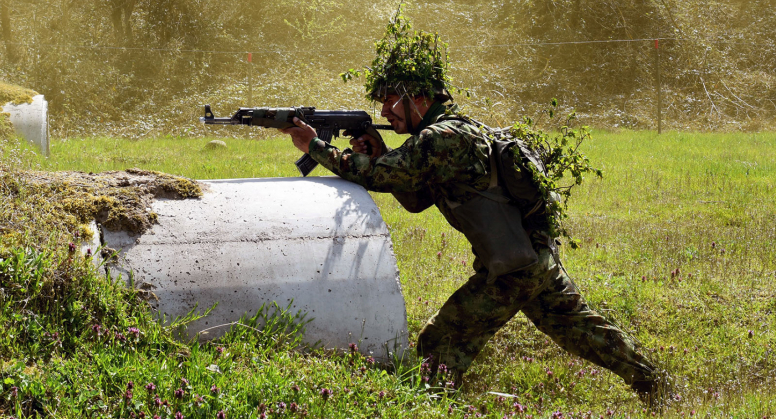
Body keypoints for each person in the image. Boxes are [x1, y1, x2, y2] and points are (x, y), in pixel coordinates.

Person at [278, 21, 669, 409]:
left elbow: (378, 177)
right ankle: (656, 385)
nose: (384, 110)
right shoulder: (453, 133)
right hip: (532, 258)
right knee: (583, 331)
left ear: (417, 97)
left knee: (440, 341)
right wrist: (381, 152)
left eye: (391, 100)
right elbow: (415, 200)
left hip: (512, 268)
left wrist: (315, 146)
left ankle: (435, 408)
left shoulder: (442, 138)